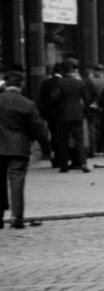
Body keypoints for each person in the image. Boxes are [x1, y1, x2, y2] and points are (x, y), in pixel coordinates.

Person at [1, 69, 51, 229]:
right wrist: (46, 149)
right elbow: (39, 129)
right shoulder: (27, 104)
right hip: (19, 146)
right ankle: (17, 216)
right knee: (16, 180)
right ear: (21, 85)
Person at [52, 60, 91, 172]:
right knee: (79, 139)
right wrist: (86, 113)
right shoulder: (79, 83)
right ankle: (83, 163)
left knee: (63, 140)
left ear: (63, 71)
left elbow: (54, 97)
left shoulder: (60, 83)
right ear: (72, 71)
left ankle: (64, 165)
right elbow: (86, 99)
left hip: (63, 115)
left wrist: (58, 106)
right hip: (78, 113)